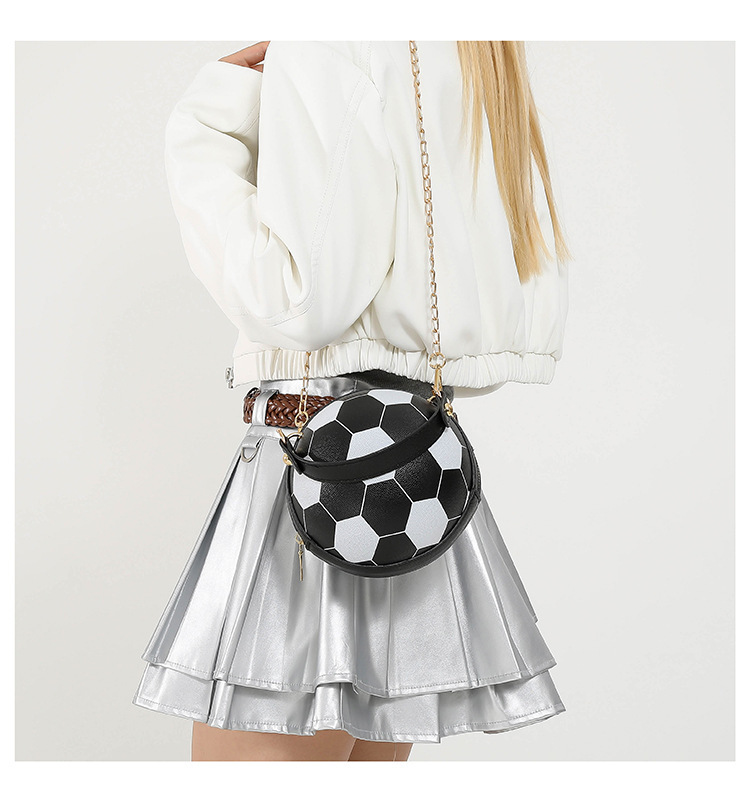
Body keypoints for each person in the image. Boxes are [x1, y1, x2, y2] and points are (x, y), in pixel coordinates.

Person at [132, 39, 571, 762]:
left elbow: (301, 302)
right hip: (410, 469)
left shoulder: (338, 32)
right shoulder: (473, 50)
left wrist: (204, 131)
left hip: (319, 473)